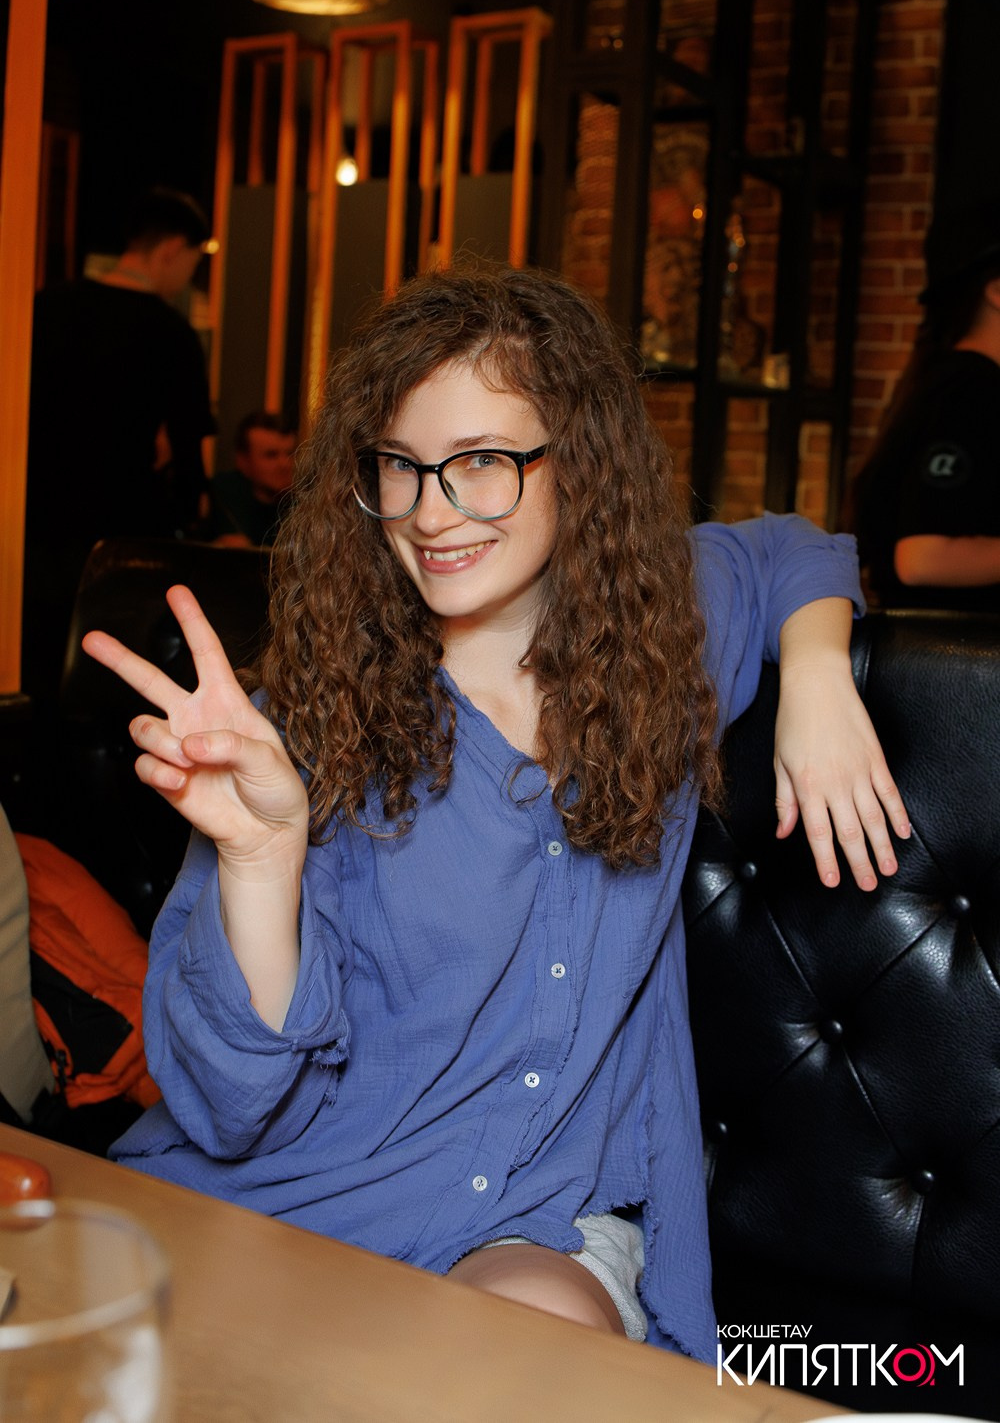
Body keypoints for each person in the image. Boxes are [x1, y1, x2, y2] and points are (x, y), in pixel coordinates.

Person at [82, 265, 909, 1361]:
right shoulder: (297, 732)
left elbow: (789, 548)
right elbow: (230, 1109)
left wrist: (817, 677)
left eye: (482, 462)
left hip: (535, 1222)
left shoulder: (666, 645)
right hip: (295, 1201)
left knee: (526, 1350)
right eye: (401, 465)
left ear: (582, 462)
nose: (431, 514)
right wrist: (260, 861)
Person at [22, 185, 217, 713]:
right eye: (193, 262)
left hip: (30, 530)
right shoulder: (169, 333)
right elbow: (189, 452)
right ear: (172, 249)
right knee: (108, 688)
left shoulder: (45, 307)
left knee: (33, 675)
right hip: (121, 543)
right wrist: (197, 521)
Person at [851, 201, 1000, 610]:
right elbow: (921, 559)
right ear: (995, 290)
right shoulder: (971, 390)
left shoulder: (949, 381)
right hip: (951, 645)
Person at [207, 411, 297, 548]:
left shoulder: (306, 500)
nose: (285, 464)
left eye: (290, 453)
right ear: (243, 461)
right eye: (271, 455)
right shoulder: (217, 495)